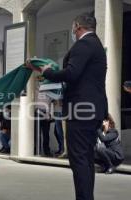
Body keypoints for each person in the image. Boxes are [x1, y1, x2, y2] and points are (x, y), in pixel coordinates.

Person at [36, 13, 108, 200]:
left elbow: (72, 73)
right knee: (85, 159)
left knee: (79, 159)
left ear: (77, 26)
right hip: (92, 109)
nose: (73, 32)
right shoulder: (96, 44)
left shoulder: (84, 44)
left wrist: (48, 72)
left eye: (73, 28)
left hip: (82, 110)